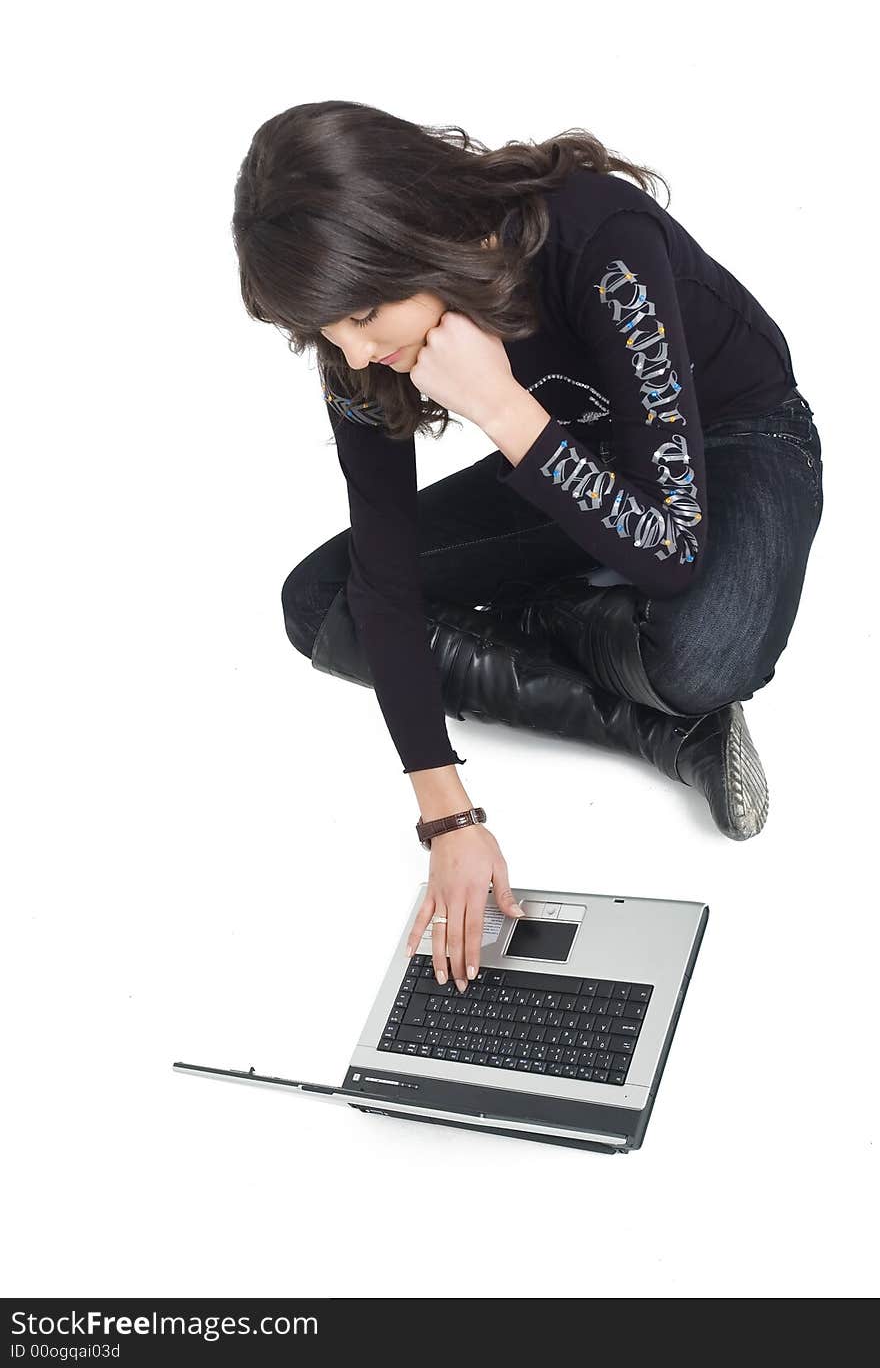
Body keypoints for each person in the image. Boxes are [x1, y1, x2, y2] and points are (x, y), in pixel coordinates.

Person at [231, 100, 823, 991]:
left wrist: (502, 408)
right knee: (322, 602)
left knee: (705, 653)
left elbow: (670, 551)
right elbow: (383, 575)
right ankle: (663, 731)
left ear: (411, 235)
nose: (352, 354)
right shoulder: (357, 343)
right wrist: (448, 818)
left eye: (362, 313)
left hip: (734, 439)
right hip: (564, 456)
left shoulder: (596, 237)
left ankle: (627, 658)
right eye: (323, 330)